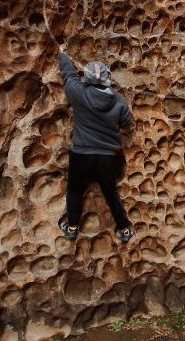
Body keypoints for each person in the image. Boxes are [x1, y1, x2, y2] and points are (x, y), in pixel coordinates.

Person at [57, 45, 135, 243]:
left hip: (81, 154)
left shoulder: (78, 93)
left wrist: (63, 54)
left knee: (74, 191)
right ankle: (124, 230)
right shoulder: (119, 101)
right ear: (107, 76)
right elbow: (126, 124)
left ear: (87, 77)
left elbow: (69, 75)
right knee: (111, 194)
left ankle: (72, 228)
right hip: (106, 157)